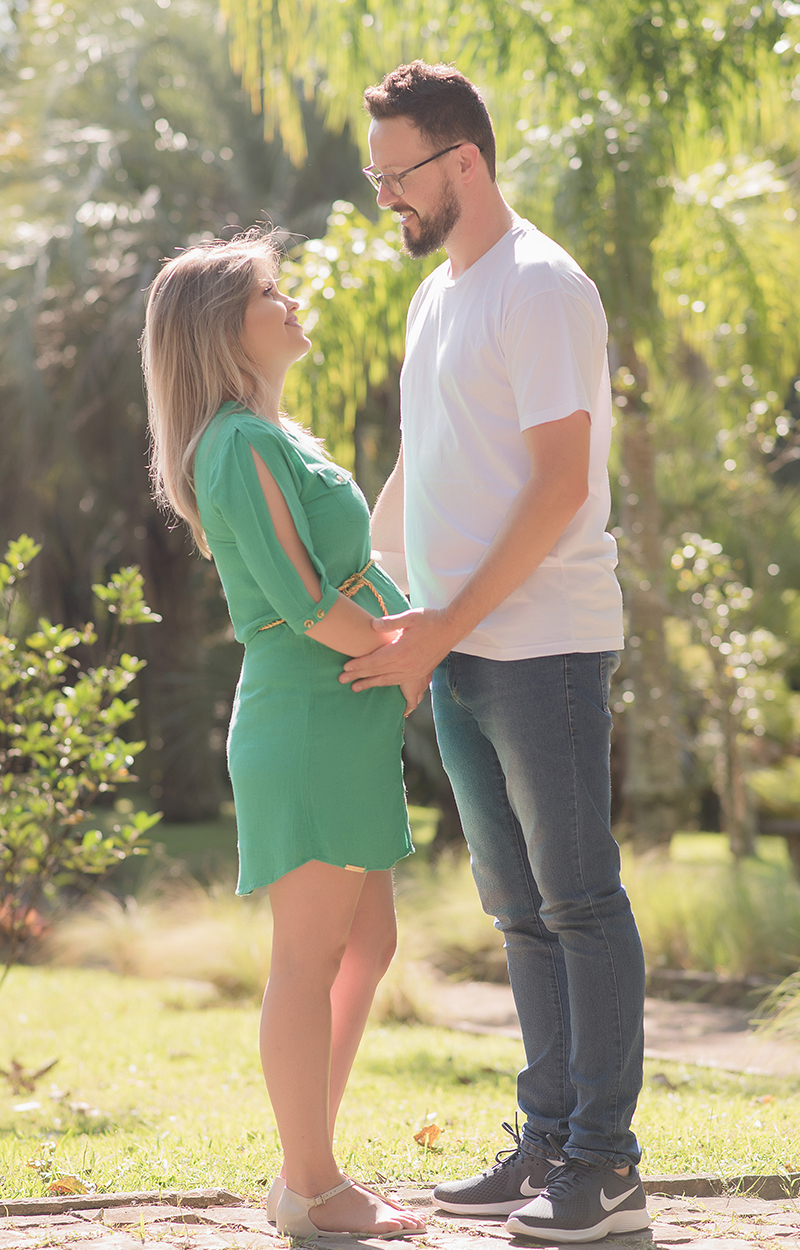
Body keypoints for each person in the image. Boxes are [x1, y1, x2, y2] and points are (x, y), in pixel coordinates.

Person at [340, 62, 650, 1244]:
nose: (386, 200)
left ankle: (606, 1167)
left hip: (544, 646)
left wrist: (441, 628)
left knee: (576, 898)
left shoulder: (540, 287)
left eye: (396, 176)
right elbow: (431, 473)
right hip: (453, 645)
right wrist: (356, 585)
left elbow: (560, 485)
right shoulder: (438, 301)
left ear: (460, 161)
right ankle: (548, 1137)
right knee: (518, 906)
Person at [141, 231, 427, 1240]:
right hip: (306, 713)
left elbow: (345, 578)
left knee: (368, 941)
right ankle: (311, 1185)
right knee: (309, 955)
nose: (292, 298)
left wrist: (401, 644)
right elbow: (305, 602)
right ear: (226, 324)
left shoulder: (277, 435)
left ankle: (308, 1164)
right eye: (273, 289)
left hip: (341, 711)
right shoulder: (235, 442)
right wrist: (410, 649)